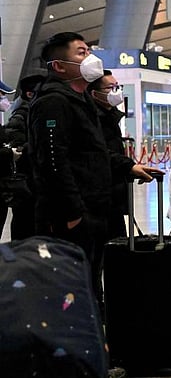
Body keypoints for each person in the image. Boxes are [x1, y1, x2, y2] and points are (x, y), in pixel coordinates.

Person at [29, 32, 160, 299]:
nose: (90, 58)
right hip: (73, 215)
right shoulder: (53, 101)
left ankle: (94, 332)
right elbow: (52, 162)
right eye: (81, 53)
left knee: (88, 280)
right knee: (70, 286)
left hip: (95, 209)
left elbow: (92, 151)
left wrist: (127, 167)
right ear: (59, 66)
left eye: (88, 51)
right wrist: (72, 213)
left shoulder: (81, 99)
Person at [86, 70, 132, 240]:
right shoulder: (92, 118)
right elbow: (100, 152)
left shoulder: (110, 115)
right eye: (110, 87)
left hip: (113, 192)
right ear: (94, 93)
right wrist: (128, 166)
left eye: (117, 86)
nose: (116, 91)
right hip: (99, 195)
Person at [2, 70, 44, 239]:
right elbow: (17, 147)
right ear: (29, 94)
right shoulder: (20, 117)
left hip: (35, 184)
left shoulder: (37, 112)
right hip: (26, 185)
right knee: (24, 227)